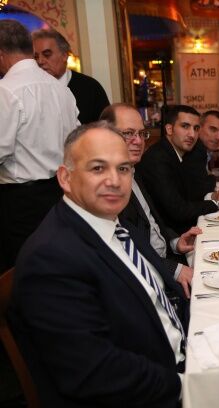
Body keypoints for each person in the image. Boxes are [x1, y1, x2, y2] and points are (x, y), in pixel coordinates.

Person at [10, 122, 185, 407]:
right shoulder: (50, 258)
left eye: (123, 168)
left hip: (176, 359)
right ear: (65, 178)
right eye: (98, 168)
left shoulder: (116, 224)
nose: (114, 180)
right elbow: (93, 371)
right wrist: (186, 385)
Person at [0, 20, 79, 271]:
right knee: (60, 264)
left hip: (21, 202)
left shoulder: (5, 91)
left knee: (25, 271)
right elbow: (78, 142)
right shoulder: (61, 89)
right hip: (62, 193)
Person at [100, 103, 201, 297]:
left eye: (141, 133)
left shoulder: (133, 172)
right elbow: (124, 253)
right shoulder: (108, 189)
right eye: (128, 133)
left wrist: (175, 242)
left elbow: (152, 222)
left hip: (166, 258)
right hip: (149, 279)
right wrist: (174, 270)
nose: (138, 141)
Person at [137, 105, 219, 234]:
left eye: (196, 128)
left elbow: (190, 197)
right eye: (185, 126)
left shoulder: (175, 153)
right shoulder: (158, 159)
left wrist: (214, 196)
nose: (192, 134)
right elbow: (178, 211)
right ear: (169, 129)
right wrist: (218, 203)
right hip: (168, 236)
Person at [32, 28, 110, 124]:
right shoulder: (30, 90)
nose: (40, 61)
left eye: (47, 55)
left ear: (64, 55)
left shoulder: (91, 88)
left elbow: (106, 127)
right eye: (36, 57)